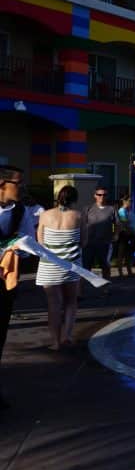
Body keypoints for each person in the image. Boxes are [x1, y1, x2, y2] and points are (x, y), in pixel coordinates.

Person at [0, 165, 34, 410]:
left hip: (5, 284)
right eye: (17, 183)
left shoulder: (21, 211)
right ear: (2, 184)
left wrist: (20, 249)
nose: (22, 188)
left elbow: (28, 241)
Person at [35, 185, 83, 351]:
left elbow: (40, 242)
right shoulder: (78, 216)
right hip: (71, 265)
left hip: (50, 266)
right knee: (71, 302)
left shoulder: (45, 215)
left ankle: (55, 342)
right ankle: (67, 337)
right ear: (74, 199)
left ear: (58, 197)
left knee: (53, 305)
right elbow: (84, 242)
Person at [83, 185, 116, 281]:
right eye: (99, 194)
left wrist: (115, 234)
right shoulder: (87, 209)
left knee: (105, 267)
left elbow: (117, 224)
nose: (102, 197)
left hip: (105, 243)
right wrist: (82, 240)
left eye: (104, 195)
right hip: (89, 243)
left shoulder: (112, 209)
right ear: (95, 195)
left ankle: (105, 289)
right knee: (85, 268)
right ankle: (80, 292)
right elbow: (82, 225)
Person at [115, 194, 135, 277]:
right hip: (124, 234)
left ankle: (129, 271)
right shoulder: (122, 211)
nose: (131, 202)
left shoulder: (131, 211)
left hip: (132, 234)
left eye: (131, 201)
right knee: (121, 254)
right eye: (130, 201)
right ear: (124, 201)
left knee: (129, 254)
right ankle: (120, 272)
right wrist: (131, 231)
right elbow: (124, 223)